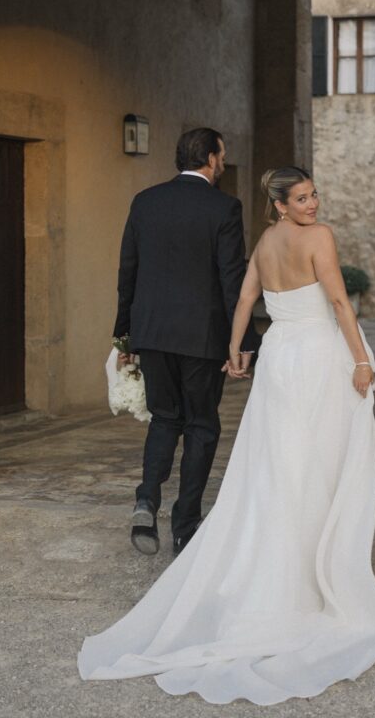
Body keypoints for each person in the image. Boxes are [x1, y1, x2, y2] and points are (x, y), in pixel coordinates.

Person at [78, 167, 375, 705]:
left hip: (280, 358)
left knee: (280, 463)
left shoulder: (265, 243)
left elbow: (246, 299)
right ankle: (310, 572)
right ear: (279, 204)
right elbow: (341, 304)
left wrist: (237, 349)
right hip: (318, 356)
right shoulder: (318, 239)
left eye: (314, 195)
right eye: (301, 198)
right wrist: (362, 359)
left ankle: (285, 558)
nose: (312, 205)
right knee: (315, 461)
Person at [113, 127, 260, 555]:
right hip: (202, 336)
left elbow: (128, 272)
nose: (222, 162)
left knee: (164, 418)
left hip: (153, 332)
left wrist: (125, 336)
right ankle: (185, 526)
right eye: (222, 155)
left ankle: (146, 500)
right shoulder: (225, 207)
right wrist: (245, 341)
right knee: (200, 424)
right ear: (212, 159)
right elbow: (233, 280)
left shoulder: (145, 201)